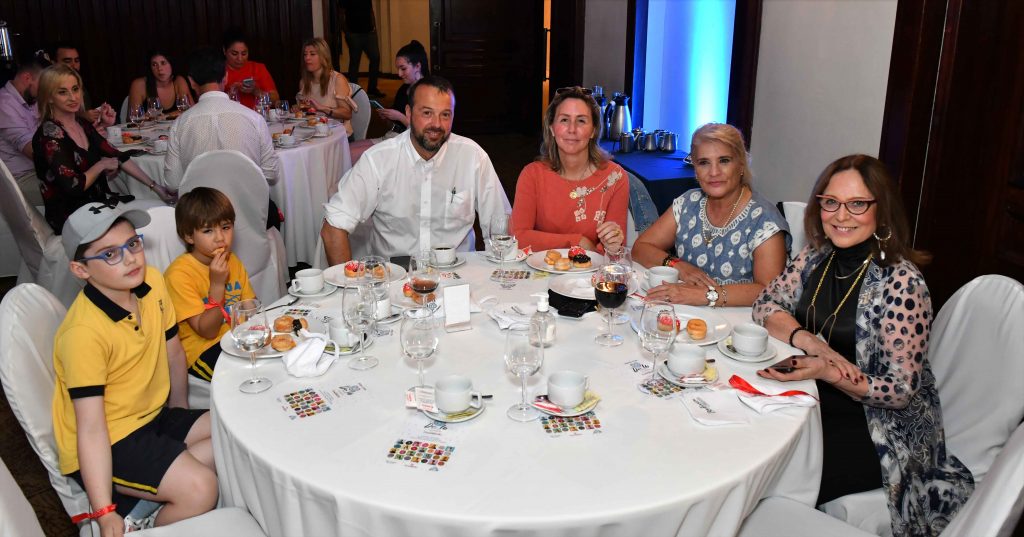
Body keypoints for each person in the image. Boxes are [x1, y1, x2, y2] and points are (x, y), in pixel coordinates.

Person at [753, 154, 974, 536]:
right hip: (811, 404)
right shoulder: (817, 256)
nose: (841, 215)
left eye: (857, 204)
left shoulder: (902, 283)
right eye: (831, 202)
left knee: (768, 479)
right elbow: (765, 304)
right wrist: (808, 341)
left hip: (873, 430)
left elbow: (900, 391)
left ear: (881, 210)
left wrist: (828, 371)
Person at [53, 200, 217, 533]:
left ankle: (147, 498)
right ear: (81, 270)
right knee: (202, 488)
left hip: (151, 415)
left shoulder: (152, 281)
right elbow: (91, 429)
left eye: (132, 244)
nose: (130, 258)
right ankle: (144, 523)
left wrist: (179, 412)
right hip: (110, 438)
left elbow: (173, 352)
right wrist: (104, 511)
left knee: (231, 433)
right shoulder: (83, 333)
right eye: (110, 254)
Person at [321, 75, 511, 263]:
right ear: (409, 113)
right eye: (427, 113)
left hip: (457, 274)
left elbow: (501, 226)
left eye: (445, 114)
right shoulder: (378, 160)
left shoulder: (473, 157)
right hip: (395, 276)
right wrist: (348, 281)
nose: (437, 124)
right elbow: (333, 229)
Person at [632, 123, 789, 307]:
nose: (714, 172)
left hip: (739, 319)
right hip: (687, 312)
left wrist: (706, 295)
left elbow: (769, 292)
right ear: (695, 169)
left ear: (741, 164)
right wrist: (678, 265)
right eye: (704, 163)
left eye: (724, 160)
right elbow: (641, 248)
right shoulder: (688, 202)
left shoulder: (765, 220)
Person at [32, 65, 171, 234]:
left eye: (75, 89)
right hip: (73, 220)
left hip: (98, 207)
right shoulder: (48, 136)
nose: (73, 97)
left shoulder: (82, 124)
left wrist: (157, 187)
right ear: (49, 97)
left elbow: (117, 155)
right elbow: (73, 186)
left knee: (160, 212)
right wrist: (101, 165)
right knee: (152, 225)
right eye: (62, 92)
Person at [164, 47, 281, 231]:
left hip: (202, 222)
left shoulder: (180, 124)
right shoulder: (254, 118)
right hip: (250, 216)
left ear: (191, 82)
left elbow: (172, 183)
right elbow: (270, 174)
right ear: (225, 77)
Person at [511, 86, 626, 253]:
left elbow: (613, 250)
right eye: (564, 120)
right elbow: (518, 237)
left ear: (593, 130)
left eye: (581, 121)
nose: (572, 129)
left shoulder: (615, 177)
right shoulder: (532, 175)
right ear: (552, 128)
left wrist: (613, 246)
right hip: (540, 267)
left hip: (593, 268)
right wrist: (576, 241)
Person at [165, 187, 255, 382]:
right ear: (188, 236)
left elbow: (250, 308)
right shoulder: (179, 275)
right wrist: (217, 284)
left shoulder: (232, 260)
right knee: (248, 376)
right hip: (203, 351)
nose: (220, 238)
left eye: (226, 227)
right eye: (208, 231)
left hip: (236, 339)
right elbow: (207, 331)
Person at [348, 39, 428, 162]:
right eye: (398, 69)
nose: (399, 74)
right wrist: (388, 118)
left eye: (403, 69)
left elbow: (423, 134)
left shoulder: (428, 93)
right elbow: (395, 125)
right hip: (393, 136)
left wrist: (399, 116)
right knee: (347, 149)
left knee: (350, 155)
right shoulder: (403, 89)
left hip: (406, 144)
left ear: (417, 66)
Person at [0, 51, 49, 206]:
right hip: (21, 179)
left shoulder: (31, 98)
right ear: (27, 78)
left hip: (40, 171)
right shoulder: (4, 105)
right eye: (43, 85)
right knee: (74, 190)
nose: (45, 90)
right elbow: (33, 152)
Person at [296, 37, 356, 139]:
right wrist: (298, 108)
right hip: (314, 134)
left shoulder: (337, 79)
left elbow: (347, 113)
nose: (307, 58)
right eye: (305, 54)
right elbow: (307, 114)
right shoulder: (304, 82)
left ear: (324, 57)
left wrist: (322, 108)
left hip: (338, 136)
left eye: (312, 54)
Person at [50, 42, 116, 128]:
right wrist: (82, 116)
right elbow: (52, 118)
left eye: (76, 61)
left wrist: (101, 118)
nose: (74, 65)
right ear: (54, 63)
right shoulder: (48, 86)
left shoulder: (82, 85)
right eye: (67, 61)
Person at [222, 29, 279, 110]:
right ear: (224, 51)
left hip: (257, 115)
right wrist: (229, 95)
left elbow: (276, 100)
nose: (240, 58)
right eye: (234, 54)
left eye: (244, 54)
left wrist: (256, 91)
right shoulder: (217, 70)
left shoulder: (258, 68)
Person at [339, 0, 384, 98]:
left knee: (375, 57)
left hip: (369, 32)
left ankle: (372, 88)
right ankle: (354, 92)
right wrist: (346, 31)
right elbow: (341, 13)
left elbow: (370, 11)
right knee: (355, 61)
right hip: (353, 34)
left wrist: (374, 28)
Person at [127, 50, 193, 115]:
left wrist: (164, 117)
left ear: (171, 64)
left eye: (163, 63)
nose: (159, 69)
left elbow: (191, 110)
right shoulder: (139, 84)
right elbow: (133, 118)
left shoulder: (179, 81)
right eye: (154, 64)